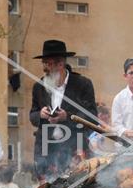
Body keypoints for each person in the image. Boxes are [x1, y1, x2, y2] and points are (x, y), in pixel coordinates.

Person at [29, 40, 97, 179]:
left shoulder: (82, 84)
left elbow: (92, 117)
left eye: (49, 64)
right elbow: (32, 116)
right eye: (44, 63)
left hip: (74, 149)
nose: (45, 68)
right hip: (46, 152)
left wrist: (67, 116)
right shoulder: (39, 86)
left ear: (61, 64)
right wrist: (41, 115)